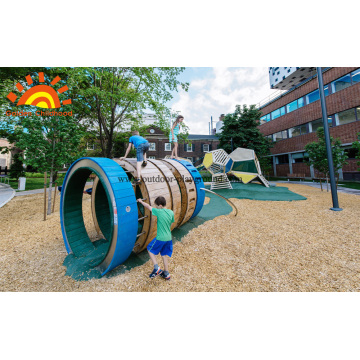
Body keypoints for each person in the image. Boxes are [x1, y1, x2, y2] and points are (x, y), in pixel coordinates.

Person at [137, 196, 174, 280]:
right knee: (164, 255)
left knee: (150, 248)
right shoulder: (171, 212)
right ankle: (166, 273)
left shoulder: (159, 212)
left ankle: (156, 268)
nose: (156, 207)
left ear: (160, 205)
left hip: (161, 238)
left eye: (157, 206)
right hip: (169, 238)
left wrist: (141, 201)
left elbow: (148, 206)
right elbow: (171, 223)